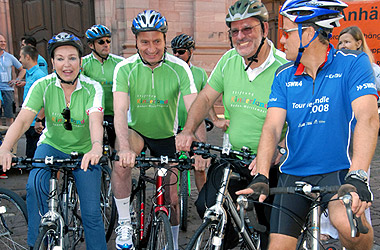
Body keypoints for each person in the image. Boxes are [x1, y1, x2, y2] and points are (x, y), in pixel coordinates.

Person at [236, 0, 377, 249]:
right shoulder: (283, 75)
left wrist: (358, 176)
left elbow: (367, 118)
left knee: (348, 227)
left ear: (308, 33)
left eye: (287, 32)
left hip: (339, 170)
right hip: (294, 173)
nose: (281, 41)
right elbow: (271, 127)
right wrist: (261, 175)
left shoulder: (353, 63)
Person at [175, 0, 288, 248]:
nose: (240, 36)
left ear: (265, 30)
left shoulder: (284, 67)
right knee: (208, 206)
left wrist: (281, 147)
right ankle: (231, 235)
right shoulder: (228, 60)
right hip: (234, 154)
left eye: (247, 29)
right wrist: (188, 130)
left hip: (270, 161)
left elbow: (301, 122)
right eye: (234, 31)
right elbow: (205, 97)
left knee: (272, 226)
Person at [0, 32, 107, 249]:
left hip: (84, 151)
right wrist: (5, 148)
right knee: (34, 186)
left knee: (91, 214)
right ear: (52, 61)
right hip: (52, 146)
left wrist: (97, 147)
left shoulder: (92, 87)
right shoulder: (43, 85)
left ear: (80, 61)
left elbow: (96, 122)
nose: (66, 65)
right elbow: (22, 121)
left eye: (72, 58)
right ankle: (37, 243)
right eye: (60, 58)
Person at [112, 10, 206, 250]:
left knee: (173, 200)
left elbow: (195, 109)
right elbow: (120, 112)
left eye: (157, 41)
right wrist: (123, 148)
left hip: (168, 136)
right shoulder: (124, 68)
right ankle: (124, 222)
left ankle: (172, 243)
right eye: (144, 42)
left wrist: (199, 148)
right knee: (120, 162)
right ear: (136, 42)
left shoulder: (179, 68)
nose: (151, 48)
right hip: (137, 134)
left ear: (165, 40)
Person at [171, 33, 216, 191]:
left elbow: (207, 100)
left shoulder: (200, 73)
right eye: (174, 51)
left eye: (181, 51)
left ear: (191, 52)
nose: (177, 55)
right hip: (173, 127)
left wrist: (215, 119)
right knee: (172, 168)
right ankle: (174, 210)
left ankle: (203, 202)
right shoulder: (170, 70)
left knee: (199, 168)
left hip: (195, 126)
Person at [82, 24, 124, 148]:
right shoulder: (83, 63)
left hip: (114, 114)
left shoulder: (120, 63)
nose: (106, 44)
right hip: (92, 113)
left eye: (108, 41)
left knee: (118, 150)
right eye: (101, 42)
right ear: (91, 45)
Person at [17, 45, 47, 158]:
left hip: (36, 122)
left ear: (27, 57)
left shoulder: (39, 75)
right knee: (30, 153)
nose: (19, 60)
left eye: (21, 56)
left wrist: (39, 119)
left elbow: (45, 100)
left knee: (36, 156)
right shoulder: (30, 75)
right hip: (29, 121)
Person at [0, 33, 26, 126]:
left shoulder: (9, 57)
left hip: (8, 89)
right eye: (1, 42)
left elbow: (22, 69)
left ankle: (10, 138)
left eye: (4, 42)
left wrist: (18, 79)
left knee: (9, 115)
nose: (3, 43)